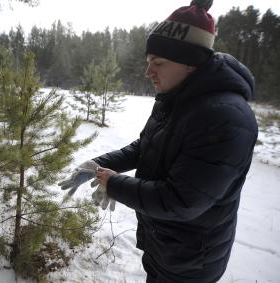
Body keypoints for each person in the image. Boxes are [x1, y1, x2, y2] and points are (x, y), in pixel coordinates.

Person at [58, 0, 258, 282]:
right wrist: (98, 165)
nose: (147, 71)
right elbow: (144, 148)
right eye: (148, 61)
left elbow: (181, 200)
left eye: (158, 63)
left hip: (191, 263)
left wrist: (113, 183)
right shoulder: (174, 98)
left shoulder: (225, 118)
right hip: (164, 245)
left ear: (191, 63)